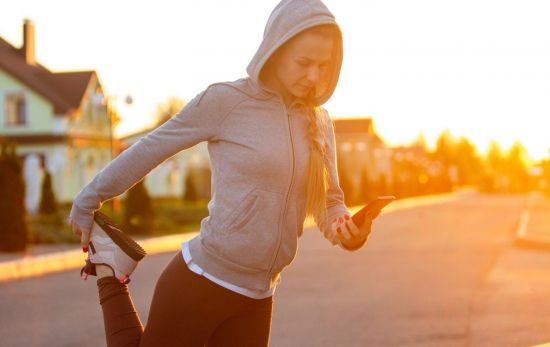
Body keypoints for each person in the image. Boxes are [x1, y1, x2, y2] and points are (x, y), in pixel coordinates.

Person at [69, 0, 375, 345]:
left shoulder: (319, 122)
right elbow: (150, 149)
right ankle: (110, 273)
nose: (314, 76)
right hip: (202, 280)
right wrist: (88, 200)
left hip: (259, 296)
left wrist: (347, 230)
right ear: (275, 51)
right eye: (304, 63)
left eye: (324, 65)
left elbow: (329, 201)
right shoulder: (226, 102)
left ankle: (111, 267)